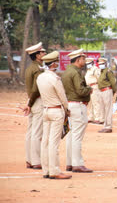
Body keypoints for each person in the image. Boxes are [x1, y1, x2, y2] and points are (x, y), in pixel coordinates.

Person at [36, 51, 71, 179]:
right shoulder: (55, 78)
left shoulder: (40, 77)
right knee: (53, 143)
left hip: (45, 110)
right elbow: (62, 96)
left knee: (45, 141)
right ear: (54, 64)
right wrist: (67, 109)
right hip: (56, 110)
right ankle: (55, 171)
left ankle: (46, 170)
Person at [61, 48, 93, 173]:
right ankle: (77, 163)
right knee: (77, 136)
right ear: (78, 59)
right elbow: (80, 90)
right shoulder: (76, 73)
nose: (85, 61)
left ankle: (70, 163)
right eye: (83, 58)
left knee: (71, 135)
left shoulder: (67, 72)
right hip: (77, 105)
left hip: (70, 104)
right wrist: (89, 89)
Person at [23, 42, 46, 169]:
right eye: (42, 52)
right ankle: (36, 161)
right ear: (37, 56)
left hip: (31, 100)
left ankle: (29, 159)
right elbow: (36, 88)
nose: (44, 54)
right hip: (36, 100)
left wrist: (29, 103)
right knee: (37, 132)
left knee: (31, 131)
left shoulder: (30, 68)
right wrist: (31, 103)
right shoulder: (38, 68)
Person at [98, 57, 116, 133]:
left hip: (107, 90)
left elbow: (113, 82)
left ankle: (108, 126)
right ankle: (105, 125)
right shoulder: (101, 72)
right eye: (99, 64)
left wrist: (114, 92)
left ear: (105, 64)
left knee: (108, 109)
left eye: (102, 64)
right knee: (103, 109)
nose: (100, 65)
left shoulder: (108, 71)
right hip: (101, 91)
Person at [85, 58, 103, 124]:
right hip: (88, 87)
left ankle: (97, 118)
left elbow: (99, 79)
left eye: (89, 64)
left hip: (94, 86)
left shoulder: (95, 69)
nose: (88, 65)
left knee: (96, 102)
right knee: (89, 103)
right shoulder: (88, 70)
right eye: (87, 64)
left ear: (92, 63)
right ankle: (90, 117)